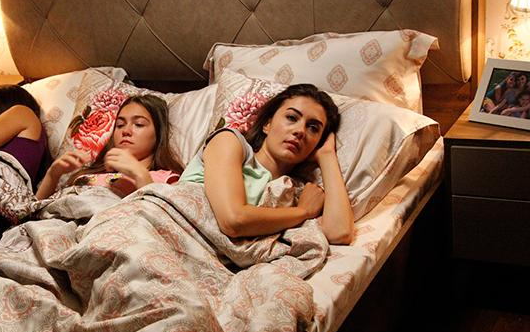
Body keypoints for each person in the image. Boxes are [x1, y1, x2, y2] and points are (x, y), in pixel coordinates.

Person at [180, 83, 354, 245]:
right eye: (292, 118)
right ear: (267, 124)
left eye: (313, 128)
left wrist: (327, 156)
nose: (300, 131)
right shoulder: (229, 141)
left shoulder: (294, 192)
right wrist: (303, 212)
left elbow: (339, 233)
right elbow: (233, 221)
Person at [35, 94, 182, 200]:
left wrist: (140, 174)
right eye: (120, 125)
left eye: (138, 124)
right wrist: (52, 175)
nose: (126, 131)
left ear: (159, 133)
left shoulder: (165, 179)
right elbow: (34, 212)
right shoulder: (89, 175)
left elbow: (162, 219)